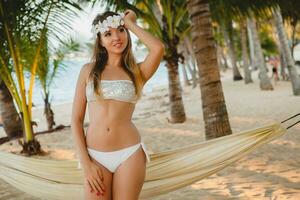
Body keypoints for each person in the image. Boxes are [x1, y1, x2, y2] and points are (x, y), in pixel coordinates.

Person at [71, 9, 164, 200]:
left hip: (129, 154)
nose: (116, 37)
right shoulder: (88, 71)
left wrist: (129, 22)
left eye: (120, 30)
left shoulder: (137, 72)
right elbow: (76, 120)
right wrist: (86, 164)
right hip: (95, 156)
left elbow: (158, 48)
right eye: (108, 33)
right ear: (100, 41)